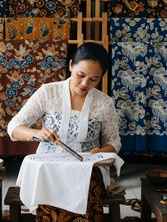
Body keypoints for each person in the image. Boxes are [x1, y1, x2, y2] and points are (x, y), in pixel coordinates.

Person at [7, 42, 122, 221]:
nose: (85, 84)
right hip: (49, 167)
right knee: (50, 185)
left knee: (87, 187)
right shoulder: (48, 93)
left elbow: (114, 142)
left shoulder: (104, 103)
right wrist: (36, 133)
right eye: (81, 75)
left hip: (86, 168)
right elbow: (14, 127)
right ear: (70, 65)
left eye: (94, 79)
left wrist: (101, 152)